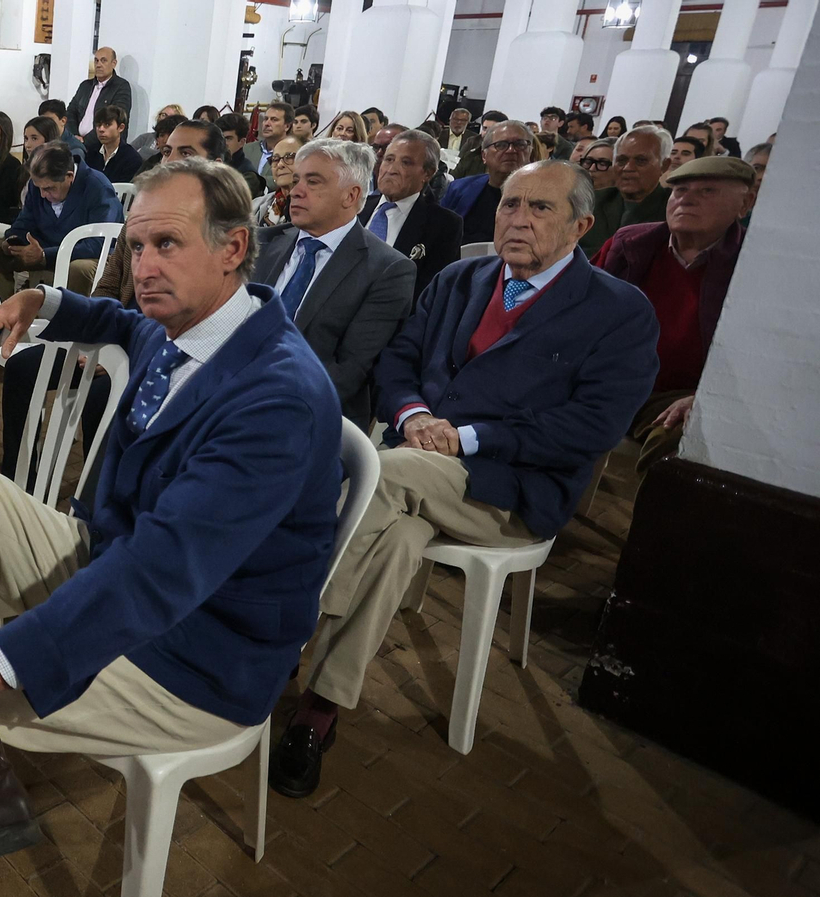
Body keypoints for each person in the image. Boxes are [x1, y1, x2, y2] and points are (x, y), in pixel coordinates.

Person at [0, 158, 343, 892]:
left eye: (167, 245)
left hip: (197, 657)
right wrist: (40, 297)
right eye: (135, 246)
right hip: (113, 564)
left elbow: (159, 574)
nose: (143, 268)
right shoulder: (193, 317)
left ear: (234, 248)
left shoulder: (276, 398)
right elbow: (112, 317)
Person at [272, 161, 660, 799]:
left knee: (379, 471)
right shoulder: (461, 278)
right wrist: (416, 413)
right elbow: (399, 358)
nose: (517, 220)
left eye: (540, 208)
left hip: (508, 489)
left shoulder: (618, 312)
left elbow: (590, 427)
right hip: (421, 462)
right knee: (396, 535)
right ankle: (320, 707)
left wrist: (467, 437)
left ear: (582, 226)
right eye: (509, 205)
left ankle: (279, 630)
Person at [0, 118, 226, 482]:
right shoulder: (143, 216)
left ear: (216, 163)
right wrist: (94, 337)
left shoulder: (219, 235)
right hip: (115, 336)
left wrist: (117, 353)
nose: (170, 160)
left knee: (97, 398)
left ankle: (99, 501)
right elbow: (107, 286)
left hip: (161, 356)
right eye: (167, 151)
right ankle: (18, 480)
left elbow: (196, 323)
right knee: (22, 367)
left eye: (187, 152)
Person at [593, 157, 753, 472]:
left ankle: (650, 521)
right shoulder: (630, 243)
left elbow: (763, 352)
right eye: (679, 190)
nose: (687, 199)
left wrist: (705, 397)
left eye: (707, 191)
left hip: (678, 395)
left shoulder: (753, 262)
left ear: (745, 203)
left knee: (682, 435)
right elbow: (578, 308)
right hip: (610, 379)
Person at [255, 139, 416, 422]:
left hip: (306, 415)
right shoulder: (261, 244)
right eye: (297, 180)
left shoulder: (387, 270)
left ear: (351, 196)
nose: (296, 192)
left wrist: (256, 399)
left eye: (313, 182)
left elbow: (346, 373)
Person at [0, 141, 123, 297]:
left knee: (78, 268)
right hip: (47, 246)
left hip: (89, 256)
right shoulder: (39, 184)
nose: (42, 194)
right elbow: (24, 221)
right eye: (39, 187)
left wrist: (44, 256)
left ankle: (73, 318)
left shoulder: (98, 188)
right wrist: (14, 240)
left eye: (48, 188)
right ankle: (8, 313)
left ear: (69, 176)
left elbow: (98, 244)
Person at [360, 129, 463, 301]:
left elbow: (432, 293)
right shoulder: (356, 207)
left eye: (406, 163)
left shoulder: (444, 225)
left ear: (427, 173)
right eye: (389, 159)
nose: (391, 169)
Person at [579, 125, 670, 256]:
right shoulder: (591, 201)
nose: (628, 168)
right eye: (621, 160)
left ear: (664, 165)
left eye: (641, 161)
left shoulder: (673, 211)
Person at [442, 119, 533, 244]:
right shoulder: (459, 189)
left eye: (520, 144)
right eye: (501, 145)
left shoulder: (542, 198)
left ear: (530, 151)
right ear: (484, 156)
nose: (511, 150)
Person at [65, 46, 133, 148]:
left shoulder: (121, 87)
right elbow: (70, 112)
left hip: (102, 146)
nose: (98, 65)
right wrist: (74, 137)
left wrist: (85, 141)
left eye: (103, 61)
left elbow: (114, 119)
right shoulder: (85, 86)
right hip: (77, 142)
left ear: (113, 63)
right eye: (96, 61)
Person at [253, 133, 306, 227]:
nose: (280, 164)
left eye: (289, 157)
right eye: (275, 159)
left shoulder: (314, 207)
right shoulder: (255, 206)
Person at [241, 102, 292, 193]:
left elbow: (287, 178)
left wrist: (253, 182)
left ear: (287, 126)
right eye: (266, 119)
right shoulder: (247, 149)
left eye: (274, 120)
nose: (267, 123)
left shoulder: (292, 154)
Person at [84, 104, 142, 183]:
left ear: (121, 127)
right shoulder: (91, 152)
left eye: (107, 125)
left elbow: (125, 190)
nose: (101, 129)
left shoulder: (132, 159)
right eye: (98, 125)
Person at [216, 113, 266, 196]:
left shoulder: (248, 176)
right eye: (220, 138)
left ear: (241, 142)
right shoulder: (210, 163)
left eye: (228, 139)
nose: (223, 143)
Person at [450, 109, 507, 179]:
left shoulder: (508, 153)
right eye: (484, 128)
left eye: (492, 129)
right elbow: (456, 174)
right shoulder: (472, 145)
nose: (487, 133)